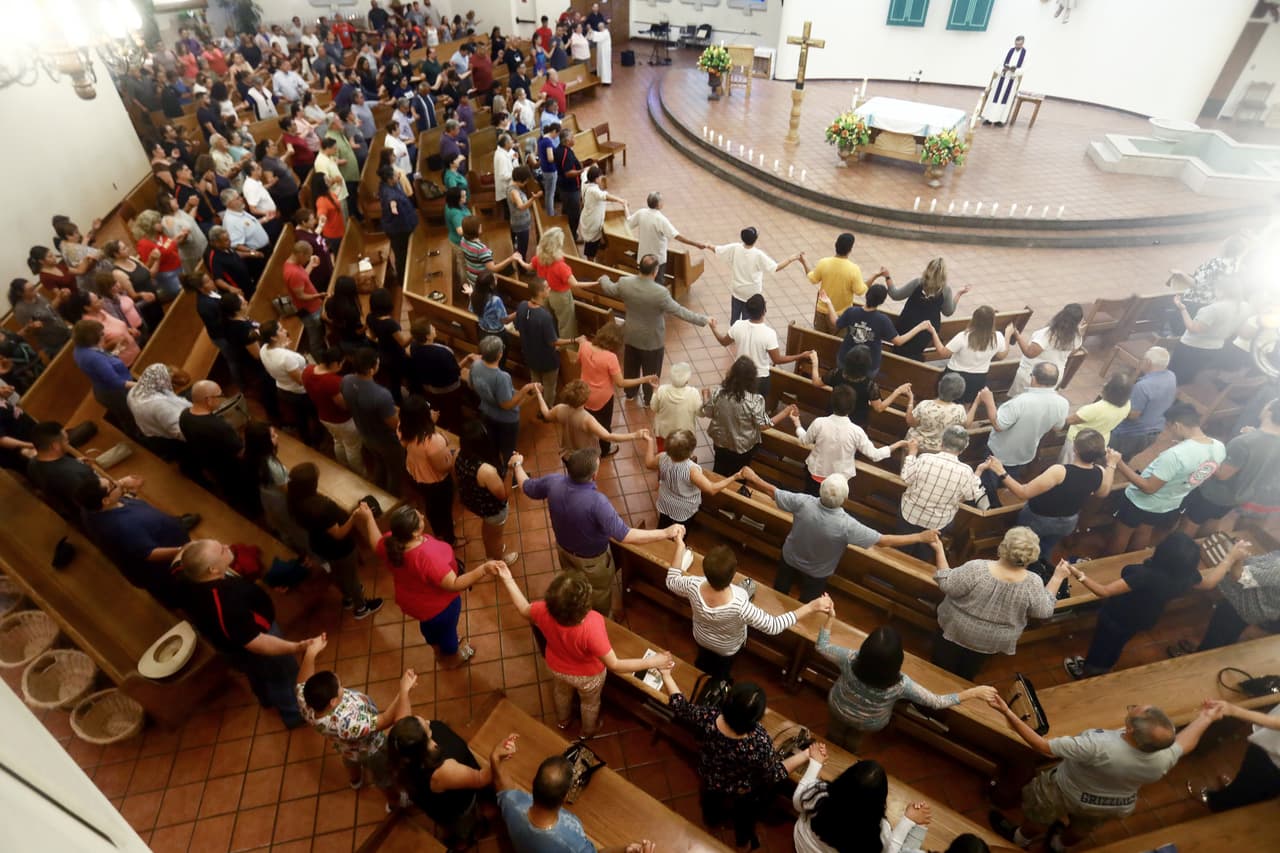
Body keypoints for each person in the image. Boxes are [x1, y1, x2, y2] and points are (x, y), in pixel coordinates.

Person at [986, 696, 1217, 850]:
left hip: (1064, 790)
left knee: (1039, 815)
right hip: (1112, 805)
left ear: (1129, 729)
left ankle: (1018, 839)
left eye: (1131, 711)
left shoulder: (1098, 746)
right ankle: (1057, 846)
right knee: (1081, 829)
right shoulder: (1164, 756)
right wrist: (1206, 717)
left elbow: (1044, 747)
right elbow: (1186, 742)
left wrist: (1007, 710)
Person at [497, 565, 673, 737]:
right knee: (589, 703)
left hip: (555, 666)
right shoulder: (592, 624)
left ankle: (563, 720)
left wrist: (508, 579)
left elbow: (522, 608)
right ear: (584, 607)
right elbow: (615, 664)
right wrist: (653, 661)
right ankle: (588, 730)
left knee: (561, 692)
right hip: (588, 676)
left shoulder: (542, 610)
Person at [515, 448, 681, 614]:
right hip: (592, 562)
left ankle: (577, 607)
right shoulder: (597, 503)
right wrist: (665, 533)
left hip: (564, 551)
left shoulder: (553, 482)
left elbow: (525, 486)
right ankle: (602, 618)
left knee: (572, 581)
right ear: (593, 475)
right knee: (599, 593)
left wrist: (517, 464)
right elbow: (625, 535)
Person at [180, 539, 321, 728]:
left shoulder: (191, 580)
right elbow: (257, 642)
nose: (227, 546)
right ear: (212, 570)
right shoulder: (226, 604)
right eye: (221, 550)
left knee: (257, 675)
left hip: (230, 647)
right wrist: (296, 647)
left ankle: (266, 699)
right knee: (283, 676)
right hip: (255, 644)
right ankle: (292, 714)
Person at [740, 468, 938, 602]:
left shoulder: (803, 502)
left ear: (820, 490)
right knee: (808, 600)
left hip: (790, 557)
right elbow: (883, 541)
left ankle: (775, 603)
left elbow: (772, 491)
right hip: (818, 572)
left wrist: (752, 477)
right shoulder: (847, 525)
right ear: (845, 499)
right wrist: (920, 537)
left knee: (779, 588)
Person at [660, 671, 806, 848]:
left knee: (710, 804)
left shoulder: (709, 717)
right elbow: (772, 773)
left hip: (710, 777)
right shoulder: (759, 742)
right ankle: (742, 838)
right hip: (741, 788)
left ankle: (712, 820)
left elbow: (681, 707)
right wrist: (806, 755)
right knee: (745, 814)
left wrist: (666, 675)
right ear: (756, 718)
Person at [817, 617, 996, 753]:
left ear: (864, 650)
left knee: (835, 729)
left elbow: (822, 647)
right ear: (898, 659)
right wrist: (973, 692)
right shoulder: (901, 685)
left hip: (838, 707)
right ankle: (849, 751)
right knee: (855, 737)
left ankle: (830, 747)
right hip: (870, 722)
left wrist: (829, 619)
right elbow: (936, 702)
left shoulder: (848, 659)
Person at [667, 532, 829, 678]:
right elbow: (774, 626)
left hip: (701, 637)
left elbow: (672, 580)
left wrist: (680, 547)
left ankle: (701, 669)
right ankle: (720, 680)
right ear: (732, 576)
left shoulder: (693, 584)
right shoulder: (740, 604)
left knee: (703, 659)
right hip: (727, 648)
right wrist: (810, 607)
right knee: (722, 670)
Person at [1063, 533, 1220, 679]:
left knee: (1102, 643)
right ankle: (1105, 668)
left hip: (1118, 614)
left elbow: (1104, 591)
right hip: (1146, 618)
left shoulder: (1145, 576)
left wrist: (1078, 574)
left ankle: (1090, 671)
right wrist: (1231, 558)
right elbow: (1210, 582)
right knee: (1117, 643)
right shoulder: (1187, 577)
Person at [931, 527, 1066, 679]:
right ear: (1032, 554)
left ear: (1003, 546)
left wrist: (939, 550)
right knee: (968, 671)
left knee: (941, 666)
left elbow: (947, 585)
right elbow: (1043, 611)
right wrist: (1057, 578)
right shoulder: (1033, 582)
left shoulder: (977, 568)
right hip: (992, 640)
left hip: (956, 628)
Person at [297, 635, 414, 808]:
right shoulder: (348, 724)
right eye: (340, 687)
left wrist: (311, 653)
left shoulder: (306, 703)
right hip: (371, 749)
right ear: (333, 702)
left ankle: (355, 780)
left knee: (351, 760)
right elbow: (384, 720)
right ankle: (394, 801)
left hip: (347, 748)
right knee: (384, 776)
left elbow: (302, 682)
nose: (342, 687)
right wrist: (403, 691)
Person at [378, 505, 500, 666]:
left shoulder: (390, 541)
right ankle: (451, 656)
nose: (422, 515)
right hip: (440, 606)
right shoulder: (426, 557)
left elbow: (375, 542)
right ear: (414, 533)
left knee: (429, 628)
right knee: (448, 632)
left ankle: (436, 648)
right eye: (418, 517)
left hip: (417, 604)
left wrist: (367, 518)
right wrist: (483, 569)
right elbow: (454, 584)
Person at [1109, 401, 1224, 553]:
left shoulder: (1176, 455)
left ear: (1177, 425)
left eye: (1169, 427)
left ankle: (1106, 563)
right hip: (1169, 503)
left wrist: (1120, 463)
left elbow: (1149, 488)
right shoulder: (1219, 447)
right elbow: (1201, 471)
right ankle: (1129, 559)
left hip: (1140, 502)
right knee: (1145, 531)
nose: (1169, 432)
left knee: (1121, 535)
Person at [994, 429, 1117, 565]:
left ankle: (1015, 568)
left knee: (1020, 548)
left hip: (1038, 519)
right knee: (1047, 548)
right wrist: (1112, 464)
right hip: (1067, 521)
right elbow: (1103, 492)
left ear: (1075, 450)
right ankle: (1040, 567)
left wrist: (1001, 471)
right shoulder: (1099, 472)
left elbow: (1023, 493)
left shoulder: (1060, 471)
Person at [598, 254, 708, 405]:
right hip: (652, 340)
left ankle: (630, 393)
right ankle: (649, 398)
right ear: (655, 271)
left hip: (631, 334)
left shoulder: (625, 283)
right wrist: (703, 320)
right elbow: (680, 311)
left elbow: (609, 289)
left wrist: (603, 278)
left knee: (631, 366)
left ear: (640, 267)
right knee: (651, 371)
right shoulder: (660, 293)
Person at [390, 716, 512, 848]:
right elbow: (480, 779)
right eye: (426, 727)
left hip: (435, 801)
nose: (428, 722)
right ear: (426, 746)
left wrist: (403, 694)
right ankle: (466, 838)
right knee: (465, 826)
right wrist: (496, 758)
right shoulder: (442, 771)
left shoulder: (402, 746)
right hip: (457, 807)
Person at [497, 752, 656, 853]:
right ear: (566, 796)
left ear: (534, 783)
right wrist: (624, 849)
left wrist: (496, 761)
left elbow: (503, 788)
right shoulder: (570, 842)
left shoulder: (512, 804)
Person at [73, 478, 191, 607]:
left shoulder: (89, 509)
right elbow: (150, 553)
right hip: (163, 569)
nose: (118, 482)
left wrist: (132, 492)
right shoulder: (123, 527)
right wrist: (184, 550)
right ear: (105, 501)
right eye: (112, 485)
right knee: (179, 594)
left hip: (155, 541)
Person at [286, 461, 383, 617]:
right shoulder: (322, 508)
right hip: (340, 547)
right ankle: (361, 607)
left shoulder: (294, 502)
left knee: (337, 573)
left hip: (319, 544)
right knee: (351, 576)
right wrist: (355, 515)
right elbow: (339, 534)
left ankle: (348, 597)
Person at [794, 751, 933, 853]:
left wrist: (815, 763)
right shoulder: (877, 832)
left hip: (802, 846)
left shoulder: (819, 794)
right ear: (880, 801)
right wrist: (907, 820)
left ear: (843, 779)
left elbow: (797, 801)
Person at [974, 363, 1069, 504]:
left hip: (999, 452)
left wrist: (989, 401)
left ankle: (989, 504)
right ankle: (1002, 498)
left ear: (1034, 378)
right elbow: (1057, 427)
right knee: (1009, 478)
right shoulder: (1062, 403)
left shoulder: (1020, 402)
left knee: (988, 484)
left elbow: (999, 425)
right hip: (1025, 452)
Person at [791, 385, 900, 493]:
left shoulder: (819, 423)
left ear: (832, 403)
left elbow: (804, 440)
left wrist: (797, 423)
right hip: (838, 483)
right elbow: (875, 455)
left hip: (816, 474)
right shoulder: (856, 432)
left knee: (809, 502)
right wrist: (898, 444)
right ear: (852, 407)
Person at [898, 429, 989, 554]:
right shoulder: (966, 471)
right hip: (938, 521)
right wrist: (979, 471)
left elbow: (906, 477)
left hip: (910, 512)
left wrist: (912, 453)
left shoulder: (925, 458)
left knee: (903, 549)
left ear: (941, 443)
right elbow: (970, 496)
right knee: (925, 553)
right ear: (963, 449)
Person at [700, 356, 794, 475]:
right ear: (752, 379)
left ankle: (716, 488)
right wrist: (784, 413)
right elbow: (763, 425)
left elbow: (708, 413)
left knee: (719, 468)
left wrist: (705, 397)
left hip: (720, 442)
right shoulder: (754, 400)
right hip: (742, 447)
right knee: (739, 474)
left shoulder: (718, 392)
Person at [818, 286, 935, 379]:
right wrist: (919, 327)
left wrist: (829, 303)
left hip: (846, 359)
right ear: (881, 301)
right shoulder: (882, 320)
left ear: (867, 295)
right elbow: (899, 341)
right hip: (869, 365)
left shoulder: (851, 311)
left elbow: (835, 322)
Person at [709, 293, 811, 397]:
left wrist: (713, 328)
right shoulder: (769, 333)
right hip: (760, 379)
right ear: (764, 311)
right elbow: (777, 360)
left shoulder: (738, 325)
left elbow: (723, 341)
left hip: (740, 374)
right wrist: (800, 356)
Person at [642, 428, 745, 529]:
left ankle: (660, 539)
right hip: (683, 508)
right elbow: (711, 489)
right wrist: (735, 477)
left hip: (666, 500)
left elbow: (648, 463)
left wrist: (650, 442)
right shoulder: (691, 470)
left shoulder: (662, 457)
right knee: (681, 530)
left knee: (663, 524)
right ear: (691, 451)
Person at [464, 336, 539, 473]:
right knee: (508, 449)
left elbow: (471, 385)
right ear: (500, 354)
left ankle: (497, 467)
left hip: (486, 411)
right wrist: (525, 389)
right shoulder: (502, 377)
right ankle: (509, 473)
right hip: (506, 420)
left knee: (493, 443)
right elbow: (506, 405)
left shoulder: (475, 365)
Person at [1194, 699, 1280, 810]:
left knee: (1249, 791)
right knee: (1247, 780)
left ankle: (1215, 803)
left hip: (1273, 760)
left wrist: (1233, 710)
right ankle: (1233, 789)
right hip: (1269, 746)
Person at [343, 348, 406, 495]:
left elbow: (346, 404)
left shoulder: (346, 381)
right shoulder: (381, 394)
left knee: (379, 463)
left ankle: (378, 489)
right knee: (395, 471)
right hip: (386, 441)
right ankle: (392, 499)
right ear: (371, 370)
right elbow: (395, 424)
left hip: (365, 433)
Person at [455, 420, 518, 564]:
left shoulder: (459, 455)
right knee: (496, 537)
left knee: (488, 529)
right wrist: (510, 469)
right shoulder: (486, 471)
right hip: (493, 510)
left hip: (476, 503)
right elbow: (503, 494)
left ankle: (490, 553)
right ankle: (498, 560)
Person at [712, 227, 805, 323]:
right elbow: (775, 268)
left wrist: (707, 245)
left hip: (737, 292)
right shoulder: (758, 255)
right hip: (752, 296)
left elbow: (718, 250)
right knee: (747, 322)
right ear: (755, 239)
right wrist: (791, 259)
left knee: (734, 320)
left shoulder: (735, 248)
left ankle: (733, 335)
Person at [539, 380, 643, 464]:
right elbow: (608, 436)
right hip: (585, 460)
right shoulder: (587, 419)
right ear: (585, 399)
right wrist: (635, 435)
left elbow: (546, 414)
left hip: (567, 457)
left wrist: (538, 393)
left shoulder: (559, 409)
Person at [1168, 280, 1251, 385]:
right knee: (1188, 376)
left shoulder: (1213, 309)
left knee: (1173, 375)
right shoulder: (1245, 307)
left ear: (1221, 291)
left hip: (1191, 347)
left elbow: (1194, 329)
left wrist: (1182, 309)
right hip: (1215, 348)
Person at [887, 258, 970, 362]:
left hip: (905, 327)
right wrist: (959, 294)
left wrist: (887, 276)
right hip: (926, 332)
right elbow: (948, 312)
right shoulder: (945, 290)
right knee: (913, 352)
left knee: (901, 348)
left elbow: (895, 295)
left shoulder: (917, 283)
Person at [302, 347, 365, 476]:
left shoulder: (307, 371)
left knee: (338, 441)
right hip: (342, 420)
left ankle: (343, 466)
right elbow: (344, 405)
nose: (342, 366)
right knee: (352, 448)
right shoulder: (333, 382)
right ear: (336, 363)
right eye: (342, 363)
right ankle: (360, 474)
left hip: (324, 416)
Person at [625, 192, 710, 287]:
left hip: (643, 258)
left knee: (644, 283)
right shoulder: (660, 219)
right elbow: (677, 236)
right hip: (657, 260)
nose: (663, 202)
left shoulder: (641, 213)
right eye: (662, 200)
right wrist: (696, 244)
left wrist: (625, 206)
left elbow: (629, 222)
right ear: (658, 204)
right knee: (658, 285)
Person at [929, 305, 1011, 403]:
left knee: (946, 402)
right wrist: (1008, 336)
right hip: (977, 379)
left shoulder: (963, 336)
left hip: (955, 376)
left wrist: (934, 333)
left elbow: (943, 353)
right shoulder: (997, 337)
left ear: (974, 319)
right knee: (967, 405)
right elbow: (1002, 356)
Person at [1108, 346, 1177, 461]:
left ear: (1148, 362)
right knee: (1125, 458)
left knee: (1108, 457)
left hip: (1131, 434)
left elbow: (1133, 415)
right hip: (1154, 431)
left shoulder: (1143, 386)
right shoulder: (1171, 376)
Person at [71, 319, 136, 433]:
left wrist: (114, 352)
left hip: (105, 391)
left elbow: (102, 361)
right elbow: (116, 382)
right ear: (92, 338)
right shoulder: (93, 357)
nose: (104, 335)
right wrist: (142, 384)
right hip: (117, 394)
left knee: (126, 418)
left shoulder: (79, 349)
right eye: (101, 333)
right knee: (133, 418)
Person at [513, 278, 569, 406]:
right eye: (547, 287)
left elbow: (517, 326)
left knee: (535, 383)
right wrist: (574, 340)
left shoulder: (522, 306)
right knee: (549, 387)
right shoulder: (544, 316)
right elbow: (553, 342)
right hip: (547, 359)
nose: (550, 289)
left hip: (529, 355)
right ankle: (546, 411)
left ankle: (534, 405)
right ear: (540, 293)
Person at [1007, 304, 1084, 396]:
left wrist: (1017, 336)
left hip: (1033, 376)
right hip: (1054, 376)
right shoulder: (1077, 336)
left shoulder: (1047, 334)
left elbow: (1029, 353)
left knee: (1020, 402)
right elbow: (1072, 352)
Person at [531, 226, 590, 341]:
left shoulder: (539, 257)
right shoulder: (560, 266)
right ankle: (568, 351)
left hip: (545, 292)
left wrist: (518, 260)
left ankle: (552, 340)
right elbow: (575, 284)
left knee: (550, 319)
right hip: (560, 296)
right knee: (566, 325)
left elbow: (528, 266)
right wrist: (595, 283)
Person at [1059, 372, 1132, 464]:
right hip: (1100, 441)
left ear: (1110, 390)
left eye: (1108, 383)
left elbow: (1069, 421)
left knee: (1067, 463)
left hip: (1079, 440)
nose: (1104, 384)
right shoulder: (1127, 404)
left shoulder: (1096, 409)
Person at [806, 232, 866, 334]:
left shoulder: (824, 262)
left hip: (822, 311)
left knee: (819, 341)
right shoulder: (854, 269)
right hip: (841, 315)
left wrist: (804, 262)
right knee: (836, 344)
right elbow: (860, 291)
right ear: (850, 249)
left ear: (836, 245)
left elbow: (813, 279)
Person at [127, 363, 192, 450]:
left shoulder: (134, 392)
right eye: (180, 387)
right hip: (168, 441)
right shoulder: (161, 406)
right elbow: (180, 433)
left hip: (151, 432)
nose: (180, 390)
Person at [904, 372, 975, 453]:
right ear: (959, 393)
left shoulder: (925, 404)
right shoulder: (959, 410)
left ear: (939, 386)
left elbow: (911, 422)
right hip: (939, 450)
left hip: (915, 447)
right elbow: (966, 425)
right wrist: (976, 402)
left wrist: (910, 401)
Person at [9, 277, 70, 360]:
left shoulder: (37, 296)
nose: (35, 290)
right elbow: (29, 332)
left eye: (34, 287)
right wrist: (33, 327)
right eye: (30, 290)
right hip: (54, 343)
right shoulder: (20, 310)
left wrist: (59, 298)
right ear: (20, 293)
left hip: (64, 330)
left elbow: (49, 309)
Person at [379, 165, 419, 288]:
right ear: (390, 180)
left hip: (403, 225)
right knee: (401, 255)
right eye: (396, 175)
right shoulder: (389, 193)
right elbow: (392, 201)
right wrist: (393, 207)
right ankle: (403, 281)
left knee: (405, 252)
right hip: (398, 229)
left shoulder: (389, 185)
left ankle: (407, 275)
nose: (399, 176)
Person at [577, 166, 624, 259]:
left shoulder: (585, 182)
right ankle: (590, 263)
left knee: (595, 239)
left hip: (588, 215)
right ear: (595, 179)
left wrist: (590, 167)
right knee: (591, 245)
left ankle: (599, 246)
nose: (601, 178)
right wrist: (620, 200)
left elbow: (584, 172)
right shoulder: (593, 191)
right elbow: (605, 196)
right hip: (592, 221)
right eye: (599, 177)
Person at [979, 35, 1026, 126]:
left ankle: (1000, 120)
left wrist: (1015, 70)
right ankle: (988, 118)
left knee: (1006, 100)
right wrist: (1003, 69)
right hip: (1001, 78)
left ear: (1023, 43)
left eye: (1019, 44)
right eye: (1016, 44)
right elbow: (998, 65)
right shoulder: (1008, 51)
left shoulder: (1026, 54)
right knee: (994, 98)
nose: (1017, 46)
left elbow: (1024, 69)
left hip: (1011, 81)